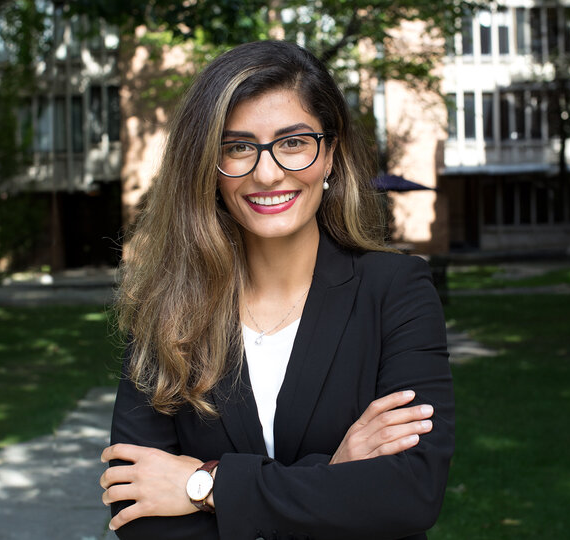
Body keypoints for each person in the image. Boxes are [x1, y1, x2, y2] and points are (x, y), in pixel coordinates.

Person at [99, 40, 454, 540]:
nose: (267, 173)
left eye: (293, 142)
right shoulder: (167, 307)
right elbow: (138, 513)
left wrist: (206, 486)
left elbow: (409, 495)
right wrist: (331, 474)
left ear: (329, 154)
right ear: (209, 168)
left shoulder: (396, 292)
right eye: (238, 147)